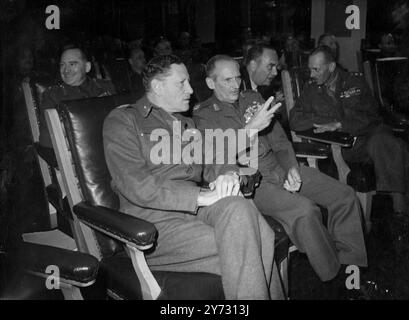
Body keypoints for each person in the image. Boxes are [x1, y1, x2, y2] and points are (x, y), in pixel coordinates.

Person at [103, 54, 283, 300]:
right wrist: (201, 195)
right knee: (253, 238)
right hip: (153, 225)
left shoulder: (187, 124)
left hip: (194, 213)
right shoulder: (124, 120)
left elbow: (214, 159)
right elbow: (137, 185)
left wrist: (227, 174)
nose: (190, 90)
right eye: (182, 83)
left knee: (241, 209)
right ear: (157, 86)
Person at [193, 54, 368, 287]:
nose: (236, 85)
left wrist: (292, 168)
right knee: (305, 211)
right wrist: (250, 128)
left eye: (237, 77)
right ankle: (333, 275)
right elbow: (217, 157)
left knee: (345, 196)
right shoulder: (204, 114)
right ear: (210, 83)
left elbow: (280, 141)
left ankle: (351, 266)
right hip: (251, 180)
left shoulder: (253, 98)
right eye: (227, 80)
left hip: (277, 165)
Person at [289, 46, 409, 214]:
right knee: (394, 148)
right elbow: (295, 120)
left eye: (316, 70)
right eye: (310, 70)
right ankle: (398, 209)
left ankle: (399, 211)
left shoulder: (355, 82)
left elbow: (372, 116)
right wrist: (326, 121)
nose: (311, 75)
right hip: (344, 146)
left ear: (331, 67)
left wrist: (340, 124)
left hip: (369, 135)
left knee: (389, 143)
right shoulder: (310, 90)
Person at [39, 46, 116, 149]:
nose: (66, 70)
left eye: (72, 64)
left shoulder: (105, 88)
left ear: (87, 67)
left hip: (113, 147)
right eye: (62, 65)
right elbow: (48, 142)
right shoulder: (52, 96)